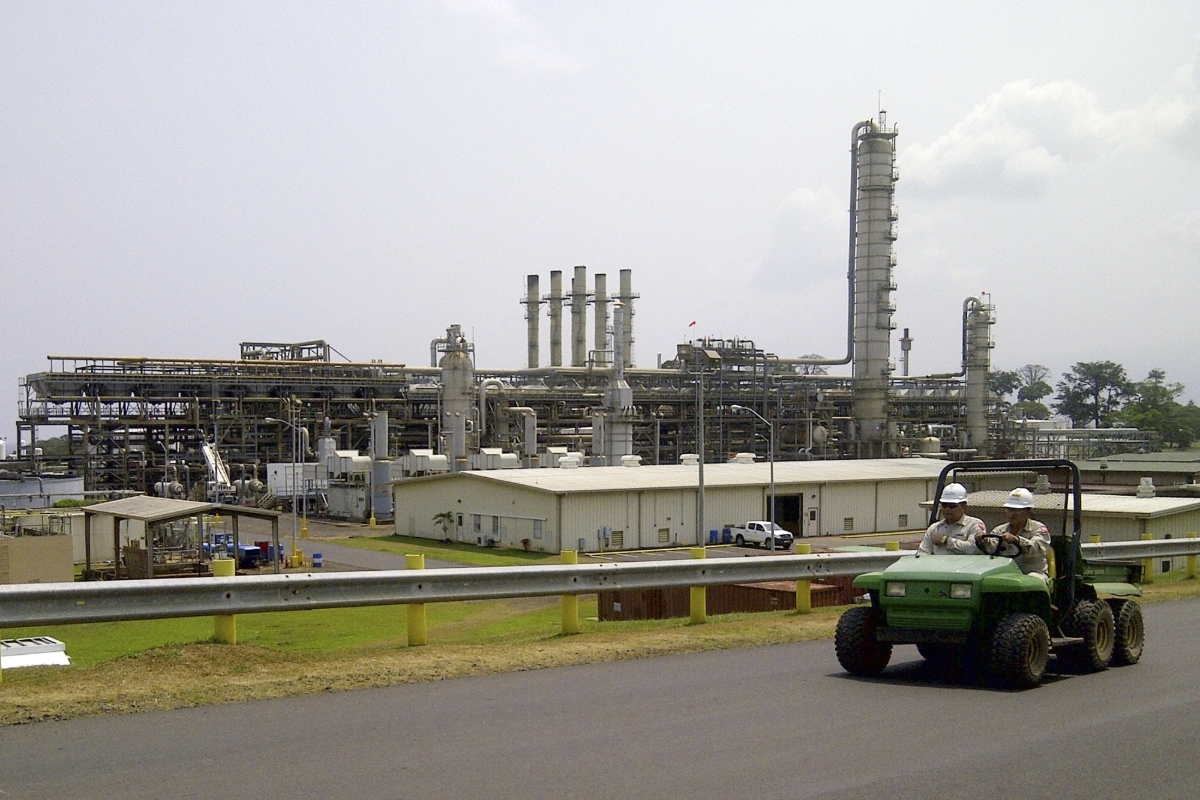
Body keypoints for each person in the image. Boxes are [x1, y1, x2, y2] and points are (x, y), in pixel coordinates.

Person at [974, 487, 1051, 583]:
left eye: (1018, 510)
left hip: (1032, 572)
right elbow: (992, 547)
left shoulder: (1039, 529)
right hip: (1005, 573)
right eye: (1010, 510)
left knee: (1030, 581)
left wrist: (1017, 540)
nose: (1013, 514)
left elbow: (1036, 549)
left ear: (1028, 512)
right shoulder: (1000, 530)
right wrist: (983, 541)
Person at [917, 483, 985, 555]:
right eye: (944, 505)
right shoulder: (934, 528)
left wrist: (947, 540)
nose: (947, 509)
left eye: (952, 505)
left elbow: (974, 549)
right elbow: (923, 552)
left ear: (963, 507)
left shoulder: (974, 525)